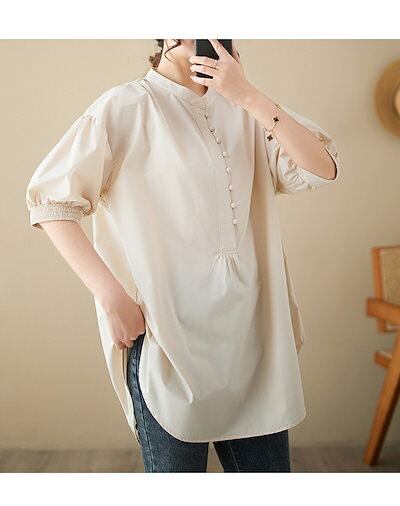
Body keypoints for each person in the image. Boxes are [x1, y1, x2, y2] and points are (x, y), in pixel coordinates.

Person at [25, 39, 339, 472]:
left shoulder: (246, 111)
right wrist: (111, 297)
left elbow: (322, 168)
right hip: (166, 341)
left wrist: (247, 95)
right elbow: (51, 204)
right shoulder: (125, 107)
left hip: (254, 345)